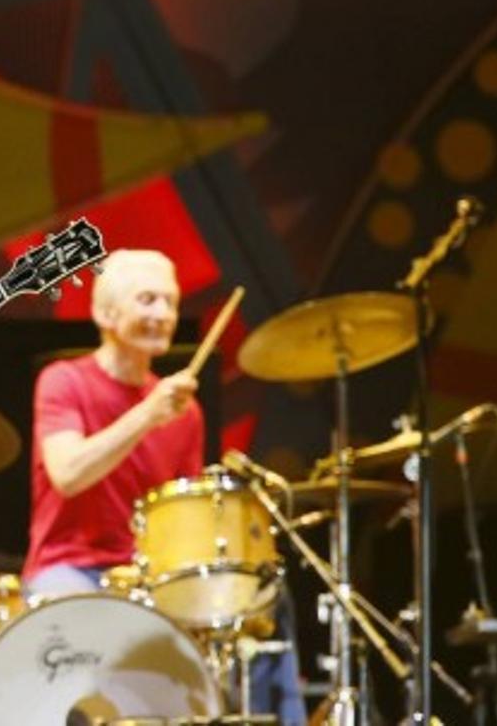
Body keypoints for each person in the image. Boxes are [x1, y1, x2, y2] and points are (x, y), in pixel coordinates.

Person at [21, 249, 306, 724]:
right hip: (69, 568)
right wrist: (147, 415)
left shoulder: (184, 413)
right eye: (147, 299)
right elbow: (67, 474)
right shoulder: (64, 382)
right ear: (105, 313)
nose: (163, 313)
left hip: (146, 579)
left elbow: (182, 521)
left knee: (264, 603)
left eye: (170, 302)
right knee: (73, 645)